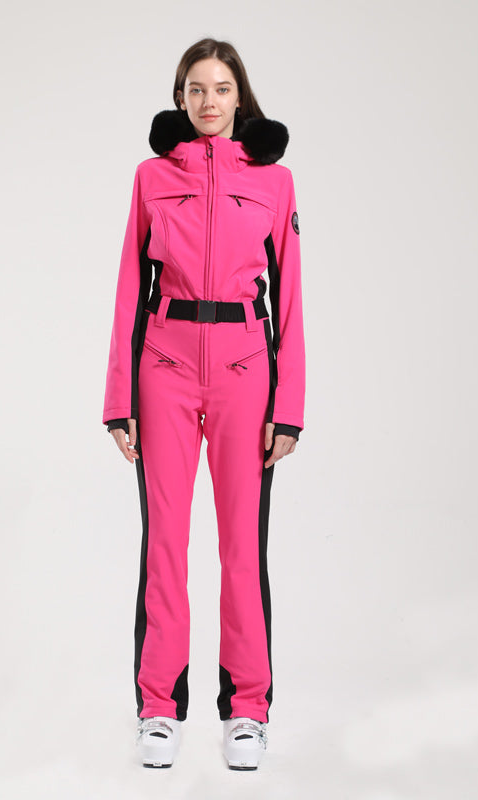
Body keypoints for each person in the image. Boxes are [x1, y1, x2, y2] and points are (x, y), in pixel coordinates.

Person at [101, 37, 305, 770]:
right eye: (196, 89)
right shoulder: (152, 176)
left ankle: (247, 710)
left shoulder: (274, 182)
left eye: (221, 88)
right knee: (165, 542)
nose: (208, 101)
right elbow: (130, 285)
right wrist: (119, 398)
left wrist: (289, 406)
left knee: (241, 547)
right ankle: (158, 708)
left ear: (239, 96)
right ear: (180, 98)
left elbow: (291, 295)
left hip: (247, 368)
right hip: (164, 364)